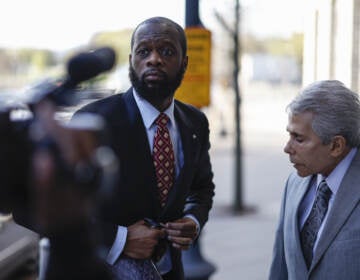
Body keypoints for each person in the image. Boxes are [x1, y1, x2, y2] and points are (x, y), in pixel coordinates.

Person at [74, 16, 215, 280]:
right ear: (131, 61)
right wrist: (119, 239)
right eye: (144, 51)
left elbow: (201, 188)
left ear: (184, 63)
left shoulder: (195, 122)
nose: (154, 59)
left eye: (166, 51)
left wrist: (193, 221)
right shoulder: (93, 122)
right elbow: (47, 209)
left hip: (169, 271)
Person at [269, 80, 360, 279]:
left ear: (336, 145)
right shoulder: (293, 184)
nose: (287, 148)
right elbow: (280, 267)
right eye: (289, 135)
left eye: (298, 138)